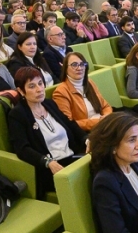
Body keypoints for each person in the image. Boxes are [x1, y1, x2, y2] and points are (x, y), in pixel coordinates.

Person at [7, 66, 85, 195]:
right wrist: (48, 162)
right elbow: (22, 149)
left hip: (72, 157)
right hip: (52, 169)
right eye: (32, 86)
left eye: (40, 83)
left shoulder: (49, 104)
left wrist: (86, 140)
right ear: (21, 91)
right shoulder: (17, 114)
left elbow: (70, 124)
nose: (39, 89)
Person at [51, 51, 111, 131]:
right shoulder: (61, 92)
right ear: (65, 68)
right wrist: (98, 122)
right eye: (74, 65)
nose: (79, 68)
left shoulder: (89, 82)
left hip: (104, 123)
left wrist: (106, 117)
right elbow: (69, 123)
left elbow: (105, 106)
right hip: (87, 131)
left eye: (82, 64)